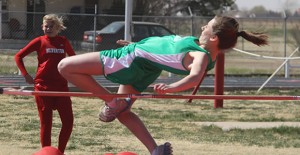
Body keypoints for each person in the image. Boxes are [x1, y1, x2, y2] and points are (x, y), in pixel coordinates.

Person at [57, 15, 268, 155]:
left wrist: (172, 88)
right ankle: (155, 150)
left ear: (213, 37)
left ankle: (111, 101)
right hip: (144, 65)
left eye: (208, 26)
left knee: (65, 66)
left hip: (130, 60)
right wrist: (138, 44)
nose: (203, 26)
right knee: (123, 113)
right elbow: (166, 49)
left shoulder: (202, 56)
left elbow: (195, 77)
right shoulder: (202, 47)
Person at [15, 14, 76, 154]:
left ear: (58, 28)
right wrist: (25, 74)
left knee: (68, 122)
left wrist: (76, 74)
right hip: (43, 87)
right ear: (42, 27)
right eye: (45, 26)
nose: (48, 28)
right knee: (46, 124)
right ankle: (46, 152)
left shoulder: (63, 41)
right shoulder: (39, 41)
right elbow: (18, 56)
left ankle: (60, 152)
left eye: (51, 26)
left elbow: (74, 59)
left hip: (61, 88)